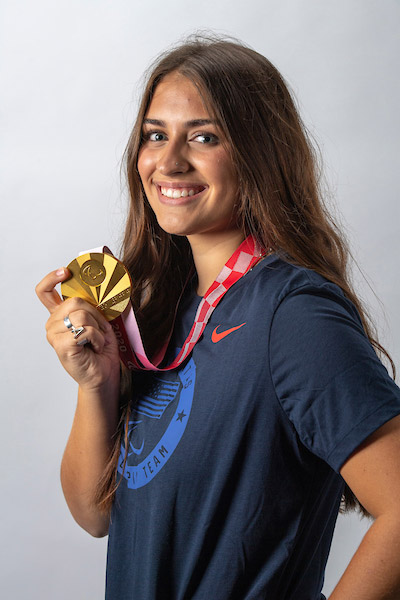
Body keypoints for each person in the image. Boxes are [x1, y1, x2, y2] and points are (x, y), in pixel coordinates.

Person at [36, 35, 400, 600]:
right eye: (156, 135)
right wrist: (97, 384)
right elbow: (94, 513)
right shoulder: (165, 309)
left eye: (204, 137)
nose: (169, 161)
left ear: (260, 152)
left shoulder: (293, 314)